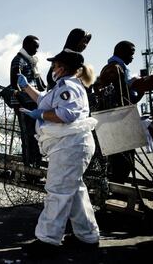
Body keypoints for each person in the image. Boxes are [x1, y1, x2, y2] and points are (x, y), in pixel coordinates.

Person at [17, 49, 100, 256]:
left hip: (69, 145)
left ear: (62, 67)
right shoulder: (65, 86)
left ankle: (48, 240)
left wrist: (41, 115)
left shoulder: (68, 85)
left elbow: (66, 114)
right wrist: (27, 87)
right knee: (75, 191)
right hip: (71, 145)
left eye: (55, 65)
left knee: (57, 191)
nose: (52, 68)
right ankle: (88, 235)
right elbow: (44, 99)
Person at [95, 41, 140, 184]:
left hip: (112, 119)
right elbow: (124, 98)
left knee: (118, 160)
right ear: (122, 52)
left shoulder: (111, 68)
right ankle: (119, 191)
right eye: (131, 54)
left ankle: (118, 188)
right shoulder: (117, 69)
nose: (133, 57)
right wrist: (140, 91)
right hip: (119, 120)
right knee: (123, 160)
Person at [10, 35, 45, 169]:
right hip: (24, 104)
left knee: (36, 135)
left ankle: (36, 165)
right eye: (35, 47)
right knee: (28, 135)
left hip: (34, 102)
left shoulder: (31, 63)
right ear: (26, 45)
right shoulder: (18, 60)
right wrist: (22, 100)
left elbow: (41, 85)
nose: (37, 50)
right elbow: (15, 82)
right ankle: (29, 168)